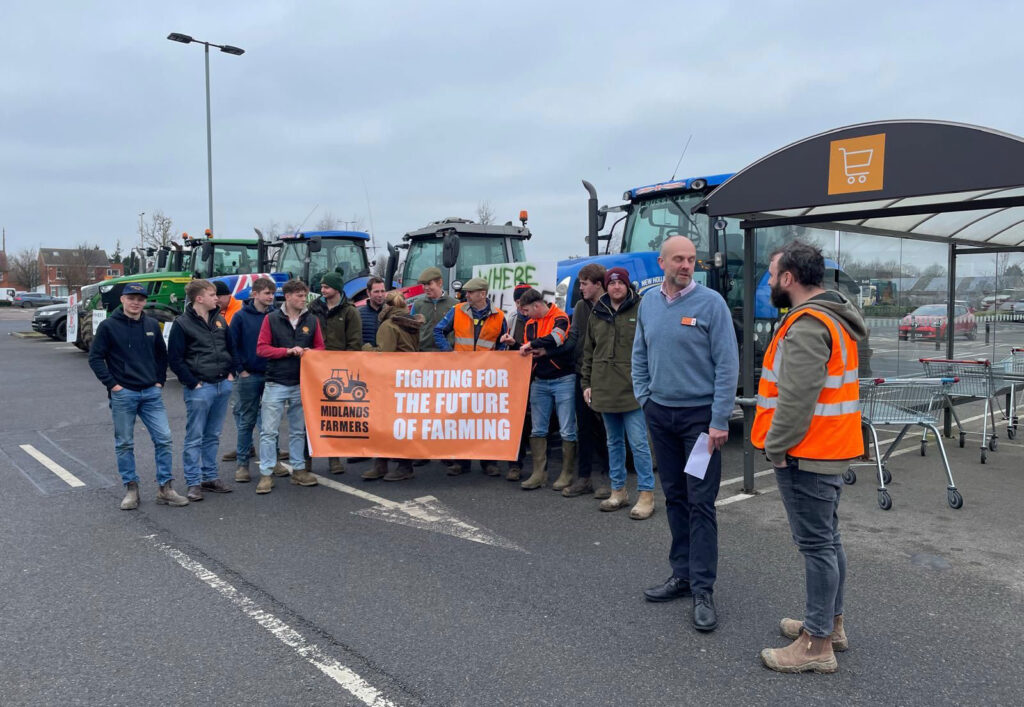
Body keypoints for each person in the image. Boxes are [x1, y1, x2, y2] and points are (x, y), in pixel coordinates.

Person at [754, 241, 865, 674]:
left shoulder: (806, 324)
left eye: (771, 273)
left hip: (807, 453)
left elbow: (797, 399)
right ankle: (828, 625)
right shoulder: (833, 317)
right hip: (828, 448)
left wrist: (776, 449)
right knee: (828, 540)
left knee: (817, 545)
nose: (768, 281)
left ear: (789, 278)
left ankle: (817, 645)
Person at [633, 235, 738, 633]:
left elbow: (727, 364)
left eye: (691, 259)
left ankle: (703, 588)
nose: (686, 265)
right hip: (661, 415)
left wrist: (718, 420)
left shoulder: (712, 304)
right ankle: (682, 574)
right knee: (675, 496)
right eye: (678, 259)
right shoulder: (649, 303)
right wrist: (645, 397)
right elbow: (639, 352)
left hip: (699, 423)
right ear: (662, 262)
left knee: (700, 502)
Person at [88, 282, 188, 509]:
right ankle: (131, 489)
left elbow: (161, 356)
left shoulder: (152, 324)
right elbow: (95, 358)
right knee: (124, 443)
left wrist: (159, 381)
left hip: (151, 393)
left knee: (164, 439)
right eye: (131, 298)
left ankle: (166, 488)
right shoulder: (108, 326)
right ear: (123, 299)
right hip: (124, 394)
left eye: (140, 299)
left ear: (145, 301)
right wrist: (113, 385)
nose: (136, 302)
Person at [581, 267, 655, 519]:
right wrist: (586, 384)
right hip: (603, 387)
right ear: (606, 286)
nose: (616, 288)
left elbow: (651, 348)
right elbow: (589, 351)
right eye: (611, 284)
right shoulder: (597, 312)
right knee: (613, 443)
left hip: (633, 388)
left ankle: (646, 495)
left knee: (639, 444)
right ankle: (619, 491)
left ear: (627, 285)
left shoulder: (642, 308)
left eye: (620, 283)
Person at [168, 279, 238, 502]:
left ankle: (210, 477)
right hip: (200, 388)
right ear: (199, 298)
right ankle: (194, 482)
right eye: (211, 294)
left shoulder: (219, 320)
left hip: (222, 385)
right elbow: (175, 359)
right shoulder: (182, 324)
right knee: (194, 436)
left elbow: (231, 347)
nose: (216, 298)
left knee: (213, 435)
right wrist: (192, 382)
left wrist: (231, 373)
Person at [254, 279, 325, 494]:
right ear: (288, 297)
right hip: (276, 381)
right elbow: (262, 349)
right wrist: (287, 351)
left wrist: (310, 353)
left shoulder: (312, 320)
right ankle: (266, 474)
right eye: (299, 296)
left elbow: (321, 347)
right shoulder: (271, 319)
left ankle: (298, 470)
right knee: (269, 431)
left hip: (301, 382)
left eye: (305, 296)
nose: (303, 300)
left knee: (298, 431)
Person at [433, 277, 509, 476]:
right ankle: (461, 461)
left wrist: (498, 358)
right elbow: (438, 330)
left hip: (486, 375)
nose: (466, 296)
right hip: (462, 374)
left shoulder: (499, 316)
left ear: (482, 294)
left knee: (486, 419)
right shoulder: (457, 311)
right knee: (461, 418)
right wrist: (449, 354)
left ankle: (489, 462)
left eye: (470, 293)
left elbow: (503, 342)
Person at [550, 263, 611, 499]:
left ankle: (608, 479)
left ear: (598, 285)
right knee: (584, 427)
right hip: (582, 374)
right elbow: (573, 339)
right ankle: (584, 478)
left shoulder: (611, 306)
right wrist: (546, 351)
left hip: (606, 378)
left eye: (584, 284)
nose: (581, 288)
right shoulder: (580, 307)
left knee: (606, 430)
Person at [514, 288, 575, 491]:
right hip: (539, 380)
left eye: (526, 310)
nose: (524, 315)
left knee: (567, 428)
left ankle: (566, 473)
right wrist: (520, 345)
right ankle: (539, 473)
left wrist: (535, 346)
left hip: (563, 379)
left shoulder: (560, 317)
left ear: (537, 306)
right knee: (538, 429)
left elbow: (557, 339)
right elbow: (528, 349)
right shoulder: (530, 324)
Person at [362, 291, 424, 482]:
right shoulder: (411, 324)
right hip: (406, 379)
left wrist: (366, 348)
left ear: (386, 308)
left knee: (384, 422)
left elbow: (383, 355)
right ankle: (397, 464)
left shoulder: (389, 326)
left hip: (390, 380)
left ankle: (392, 464)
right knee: (401, 424)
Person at [309, 270, 363, 475]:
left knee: (333, 415)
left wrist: (347, 366)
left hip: (337, 369)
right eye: (322, 287)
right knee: (310, 414)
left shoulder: (349, 312)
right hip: (314, 367)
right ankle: (306, 460)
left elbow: (354, 342)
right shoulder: (313, 309)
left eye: (326, 287)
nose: (322, 290)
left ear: (337, 289)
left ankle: (334, 458)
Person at [228, 276, 280, 483]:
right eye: (267, 293)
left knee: (271, 422)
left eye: (272, 294)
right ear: (255, 294)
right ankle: (242, 464)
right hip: (249, 375)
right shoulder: (240, 317)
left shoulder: (276, 316)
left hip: (271, 376)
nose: (270, 297)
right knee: (247, 420)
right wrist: (241, 370)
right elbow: (232, 346)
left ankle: (273, 460)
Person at [501, 283, 533, 481]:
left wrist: (517, 345)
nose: (520, 307)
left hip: (536, 375)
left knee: (534, 422)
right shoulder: (511, 319)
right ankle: (515, 465)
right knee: (516, 422)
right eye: (518, 302)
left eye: (524, 303)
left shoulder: (539, 319)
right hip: (516, 377)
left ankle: (539, 467)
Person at [410, 266, 456, 352]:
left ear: (440, 283)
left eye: (429, 284)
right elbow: (411, 330)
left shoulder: (455, 305)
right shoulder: (418, 305)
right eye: (424, 284)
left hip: (447, 354)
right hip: (423, 354)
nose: (426, 288)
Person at [359, 276, 387, 346]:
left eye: (382, 291)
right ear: (368, 293)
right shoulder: (359, 314)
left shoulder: (391, 313)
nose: (380, 295)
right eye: (376, 292)